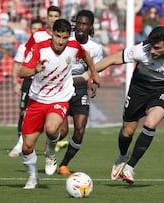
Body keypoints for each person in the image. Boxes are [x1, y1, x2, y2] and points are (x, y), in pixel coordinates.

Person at [78, 26, 164, 184]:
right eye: (151, 46)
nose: (152, 51)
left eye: (157, 48)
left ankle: (130, 167)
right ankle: (122, 155)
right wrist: (86, 75)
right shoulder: (141, 50)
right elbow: (112, 59)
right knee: (127, 132)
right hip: (139, 89)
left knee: (151, 123)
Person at [18, 19, 100, 189]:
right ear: (51, 34)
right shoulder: (39, 49)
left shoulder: (73, 46)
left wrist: (94, 74)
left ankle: (50, 151)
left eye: (64, 37)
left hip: (60, 98)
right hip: (37, 100)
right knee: (27, 147)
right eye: (57, 36)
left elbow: (86, 55)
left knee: (51, 128)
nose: (61, 42)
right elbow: (22, 71)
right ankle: (33, 177)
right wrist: (35, 70)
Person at [8, 5, 62, 158]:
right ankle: (21, 143)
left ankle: (49, 145)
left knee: (54, 119)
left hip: (54, 84)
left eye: (56, 16)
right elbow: (27, 54)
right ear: (47, 18)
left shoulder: (65, 36)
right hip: (34, 80)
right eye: (50, 16)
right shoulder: (38, 35)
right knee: (25, 112)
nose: (53, 19)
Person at [56, 10, 104, 176]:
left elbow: (96, 69)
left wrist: (93, 82)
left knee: (80, 129)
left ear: (90, 26)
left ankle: (63, 165)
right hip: (60, 88)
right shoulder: (65, 40)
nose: (81, 27)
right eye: (79, 23)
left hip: (80, 89)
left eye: (85, 24)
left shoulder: (95, 48)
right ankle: (51, 147)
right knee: (61, 132)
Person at [8, 19, 44, 158]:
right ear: (30, 30)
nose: (36, 31)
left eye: (38, 28)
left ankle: (41, 144)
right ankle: (20, 143)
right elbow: (17, 65)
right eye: (33, 28)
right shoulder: (24, 47)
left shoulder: (47, 47)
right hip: (28, 81)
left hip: (42, 83)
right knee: (23, 113)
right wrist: (15, 82)